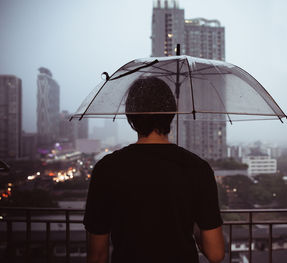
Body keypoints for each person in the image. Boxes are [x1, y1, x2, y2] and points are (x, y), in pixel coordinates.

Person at [83, 76, 225, 263]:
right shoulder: (197, 168)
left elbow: (97, 255)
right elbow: (215, 254)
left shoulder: (106, 169)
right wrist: (196, 230)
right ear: (171, 113)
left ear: (130, 116)